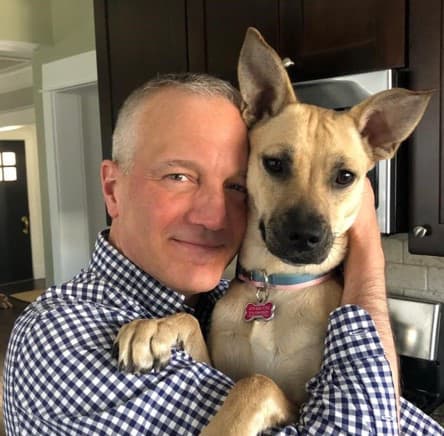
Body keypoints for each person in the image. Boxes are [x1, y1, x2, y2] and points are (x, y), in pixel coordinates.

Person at [3, 73, 442, 435]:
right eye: (178, 176)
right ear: (112, 189)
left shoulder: (212, 301)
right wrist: (367, 248)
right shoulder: (62, 337)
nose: (216, 216)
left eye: (235, 186)